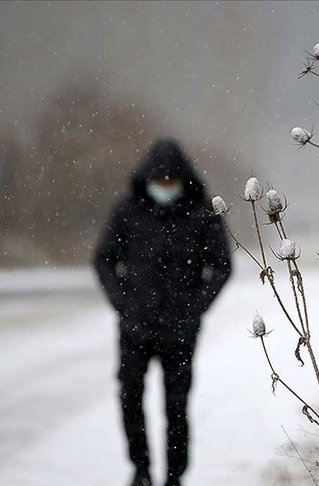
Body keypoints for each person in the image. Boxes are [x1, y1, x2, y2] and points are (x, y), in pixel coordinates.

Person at [93, 138, 232, 486]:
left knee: (176, 408)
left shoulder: (202, 214)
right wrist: (122, 302)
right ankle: (140, 470)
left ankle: (174, 477)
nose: (165, 187)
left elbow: (222, 266)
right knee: (129, 398)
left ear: (183, 180)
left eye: (171, 181)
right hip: (135, 327)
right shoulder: (127, 211)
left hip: (180, 332)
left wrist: (195, 308)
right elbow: (104, 258)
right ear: (147, 179)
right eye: (160, 180)